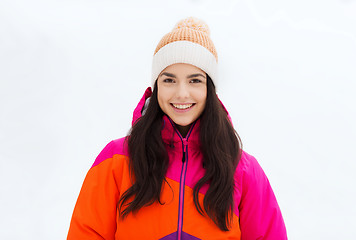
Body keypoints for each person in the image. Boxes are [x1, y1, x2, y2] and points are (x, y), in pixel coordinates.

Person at [67, 17, 287, 240]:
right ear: (156, 87)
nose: (182, 94)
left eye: (195, 81)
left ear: (210, 89)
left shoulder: (242, 169)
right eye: (169, 80)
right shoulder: (116, 160)